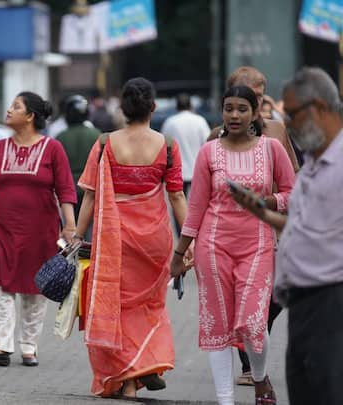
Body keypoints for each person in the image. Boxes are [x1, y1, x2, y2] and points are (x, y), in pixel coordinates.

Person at [171, 85, 296, 405]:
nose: (235, 115)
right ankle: (225, 399)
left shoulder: (271, 149)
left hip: (257, 246)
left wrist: (267, 200)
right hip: (212, 248)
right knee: (217, 326)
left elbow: (293, 194)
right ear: (222, 112)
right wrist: (179, 252)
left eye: (242, 108)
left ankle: (259, 378)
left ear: (255, 113)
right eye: (229, 108)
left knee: (254, 321)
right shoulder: (209, 152)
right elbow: (196, 205)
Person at [230, 67, 343, 405]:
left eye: (293, 114)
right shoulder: (312, 162)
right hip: (302, 301)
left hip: (332, 300)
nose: (288, 123)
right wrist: (262, 213)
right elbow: (303, 225)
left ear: (321, 107)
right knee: (304, 387)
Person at [72, 78, 187, 399]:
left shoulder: (105, 144)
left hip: (114, 241)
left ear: (122, 108)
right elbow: (177, 198)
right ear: (153, 107)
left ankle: (128, 378)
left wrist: (76, 235)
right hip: (155, 242)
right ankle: (145, 366)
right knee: (150, 305)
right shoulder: (167, 147)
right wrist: (188, 244)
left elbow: (91, 198)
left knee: (116, 306)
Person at [0, 91, 77, 367]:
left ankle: (29, 346)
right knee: (1, 286)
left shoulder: (52, 149)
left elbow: (66, 190)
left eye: (16, 107)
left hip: (41, 231)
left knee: (35, 289)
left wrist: (70, 226)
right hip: (2, 228)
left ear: (31, 116)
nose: (8, 110)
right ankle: (1, 347)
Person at [209, 66, 301, 386]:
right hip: (227, 236)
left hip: (272, 229)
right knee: (241, 300)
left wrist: (276, 205)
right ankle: (250, 366)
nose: (254, 104)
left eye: (259, 97)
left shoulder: (275, 131)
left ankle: (253, 350)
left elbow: (293, 175)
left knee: (271, 301)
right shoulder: (216, 138)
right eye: (248, 97)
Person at [208, 66, 300, 172]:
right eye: (249, 94)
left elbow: (293, 173)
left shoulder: (277, 129)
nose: (255, 102)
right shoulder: (217, 136)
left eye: (259, 95)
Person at [55, 94, 101, 224]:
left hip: (67, 191)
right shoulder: (97, 135)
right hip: (92, 188)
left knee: (70, 228)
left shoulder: (60, 138)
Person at [161, 93, 210, 196]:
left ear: (176, 106)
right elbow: (207, 144)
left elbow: (164, 146)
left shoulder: (170, 122)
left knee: (178, 204)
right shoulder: (200, 121)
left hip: (177, 171)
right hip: (197, 171)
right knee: (196, 205)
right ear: (191, 105)